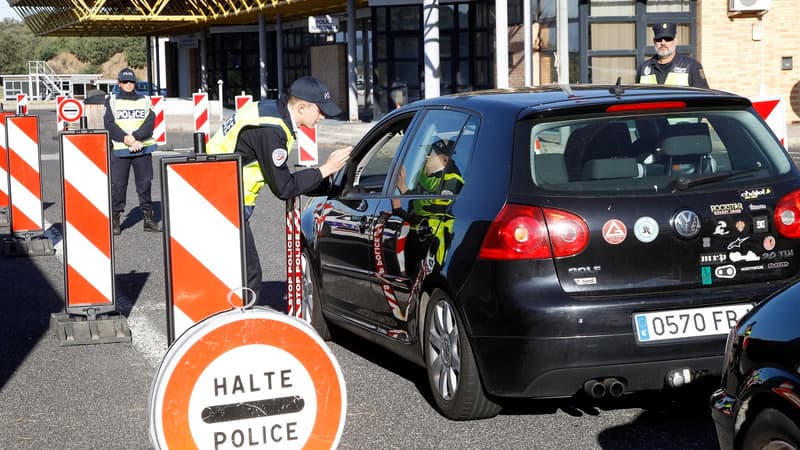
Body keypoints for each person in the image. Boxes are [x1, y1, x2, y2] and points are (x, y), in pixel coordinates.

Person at [206, 76, 351, 302]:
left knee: (231, 270)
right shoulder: (271, 130)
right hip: (222, 198)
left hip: (214, 190)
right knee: (249, 276)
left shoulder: (270, 110)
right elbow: (284, 187)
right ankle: (240, 328)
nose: (322, 118)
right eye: (320, 111)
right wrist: (325, 169)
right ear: (302, 107)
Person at [103, 67, 162, 235]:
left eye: (131, 82)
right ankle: (115, 219)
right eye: (125, 82)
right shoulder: (112, 100)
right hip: (121, 149)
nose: (128, 84)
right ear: (119, 83)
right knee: (119, 186)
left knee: (145, 185)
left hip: (142, 147)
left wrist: (136, 138)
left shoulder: (144, 99)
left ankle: (148, 219)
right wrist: (127, 139)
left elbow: (150, 121)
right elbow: (109, 124)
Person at [635, 22, 709, 88]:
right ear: (654, 42)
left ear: (675, 41)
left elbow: (703, 98)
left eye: (668, 39)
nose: (663, 43)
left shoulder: (692, 66)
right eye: (659, 39)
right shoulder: (643, 68)